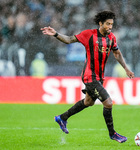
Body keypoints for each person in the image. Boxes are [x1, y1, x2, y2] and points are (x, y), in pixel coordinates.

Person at [41, 11, 134, 143]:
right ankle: (113, 134)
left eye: (111, 24)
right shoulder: (89, 34)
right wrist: (55, 34)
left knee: (88, 102)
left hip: (100, 77)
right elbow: (68, 39)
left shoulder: (112, 37)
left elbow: (117, 53)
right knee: (108, 103)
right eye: (107, 24)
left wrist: (126, 68)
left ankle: (62, 118)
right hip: (89, 76)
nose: (110, 27)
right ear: (100, 23)